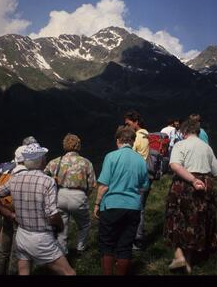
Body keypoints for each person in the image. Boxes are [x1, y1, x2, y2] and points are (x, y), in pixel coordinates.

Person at [0, 143, 76, 275]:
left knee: (24, 271)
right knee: (69, 273)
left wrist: (9, 214)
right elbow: (52, 214)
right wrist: (60, 226)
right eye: (45, 157)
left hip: (21, 234)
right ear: (42, 160)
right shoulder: (48, 181)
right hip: (41, 238)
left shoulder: (15, 179)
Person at [163, 119, 217, 274]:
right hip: (204, 186)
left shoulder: (180, 145)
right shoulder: (207, 147)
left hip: (184, 185)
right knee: (194, 222)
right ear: (197, 131)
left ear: (183, 132)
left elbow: (175, 165)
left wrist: (193, 179)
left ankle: (178, 256)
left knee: (175, 219)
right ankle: (188, 263)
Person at [94, 126, 149, 275]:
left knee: (107, 244)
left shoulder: (111, 157)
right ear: (132, 141)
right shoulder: (141, 161)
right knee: (125, 246)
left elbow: (104, 186)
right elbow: (144, 187)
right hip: (133, 207)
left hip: (111, 205)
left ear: (118, 140)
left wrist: (97, 204)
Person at [44, 133, 96, 255]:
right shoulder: (86, 162)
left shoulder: (55, 162)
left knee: (62, 227)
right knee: (85, 224)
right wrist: (85, 195)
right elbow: (92, 184)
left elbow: (44, 176)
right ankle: (80, 248)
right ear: (78, 145)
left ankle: (62, 252)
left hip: (60, 195)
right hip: (79, 196)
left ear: (64, 145)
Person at [0, 137, 37, 275]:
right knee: (16, 252)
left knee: (3, 251)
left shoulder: (6, 167)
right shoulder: (28, 171)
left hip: (5, 210)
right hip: (19, 213)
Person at [124, 110, 150, 250]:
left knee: (137, 208)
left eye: (128, 124)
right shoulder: (146, 134)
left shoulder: (138, 137)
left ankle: (137, 239)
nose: (127, 127)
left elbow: (128, 153)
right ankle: (137, 238)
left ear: (136, 122)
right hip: (144, 176)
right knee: (140, 207)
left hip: (136, 177)